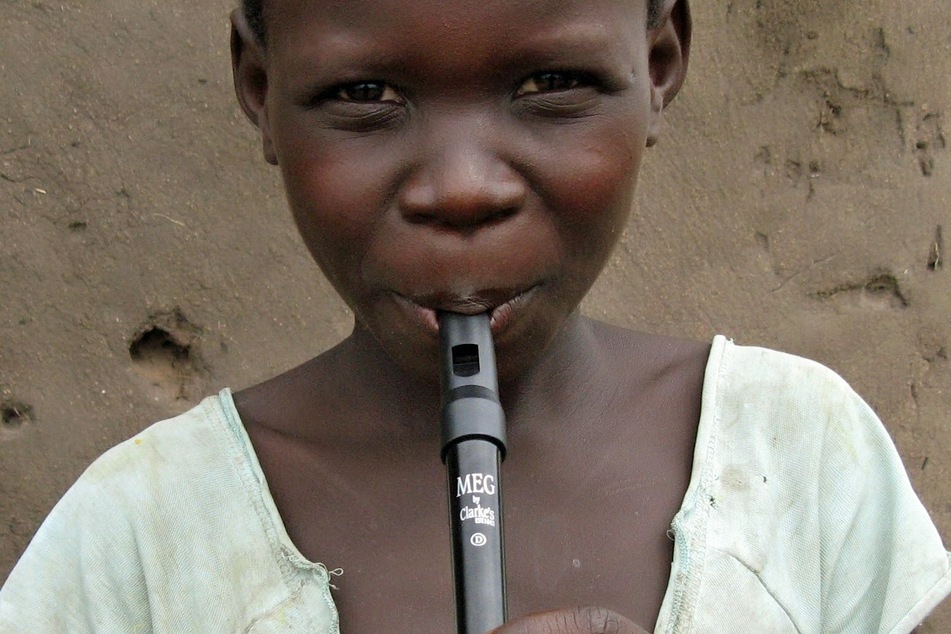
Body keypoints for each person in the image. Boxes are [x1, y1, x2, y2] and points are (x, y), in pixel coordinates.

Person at [1, 0, 949, 631]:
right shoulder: (136, 542)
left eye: (552, 85)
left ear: (657, 62)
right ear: (260, 88)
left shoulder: (799, 456)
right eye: (363, 94)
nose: (460, 189)